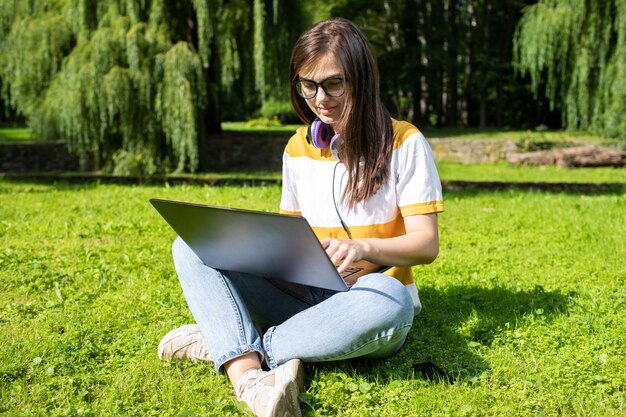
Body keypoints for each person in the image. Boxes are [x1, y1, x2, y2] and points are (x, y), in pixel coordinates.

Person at [157, 17, 444, 417]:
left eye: (332, 83)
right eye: (307, 85)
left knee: (392, 301)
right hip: (300, 295)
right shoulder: (297, 147)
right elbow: (287, 235)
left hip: (366, 298)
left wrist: (363, 247)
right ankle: (250, 380)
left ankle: (233, 346)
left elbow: (426, 244)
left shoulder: (405, 143)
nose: (319, 98)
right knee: (190, 245)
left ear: (361, 78)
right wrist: (246, 242)